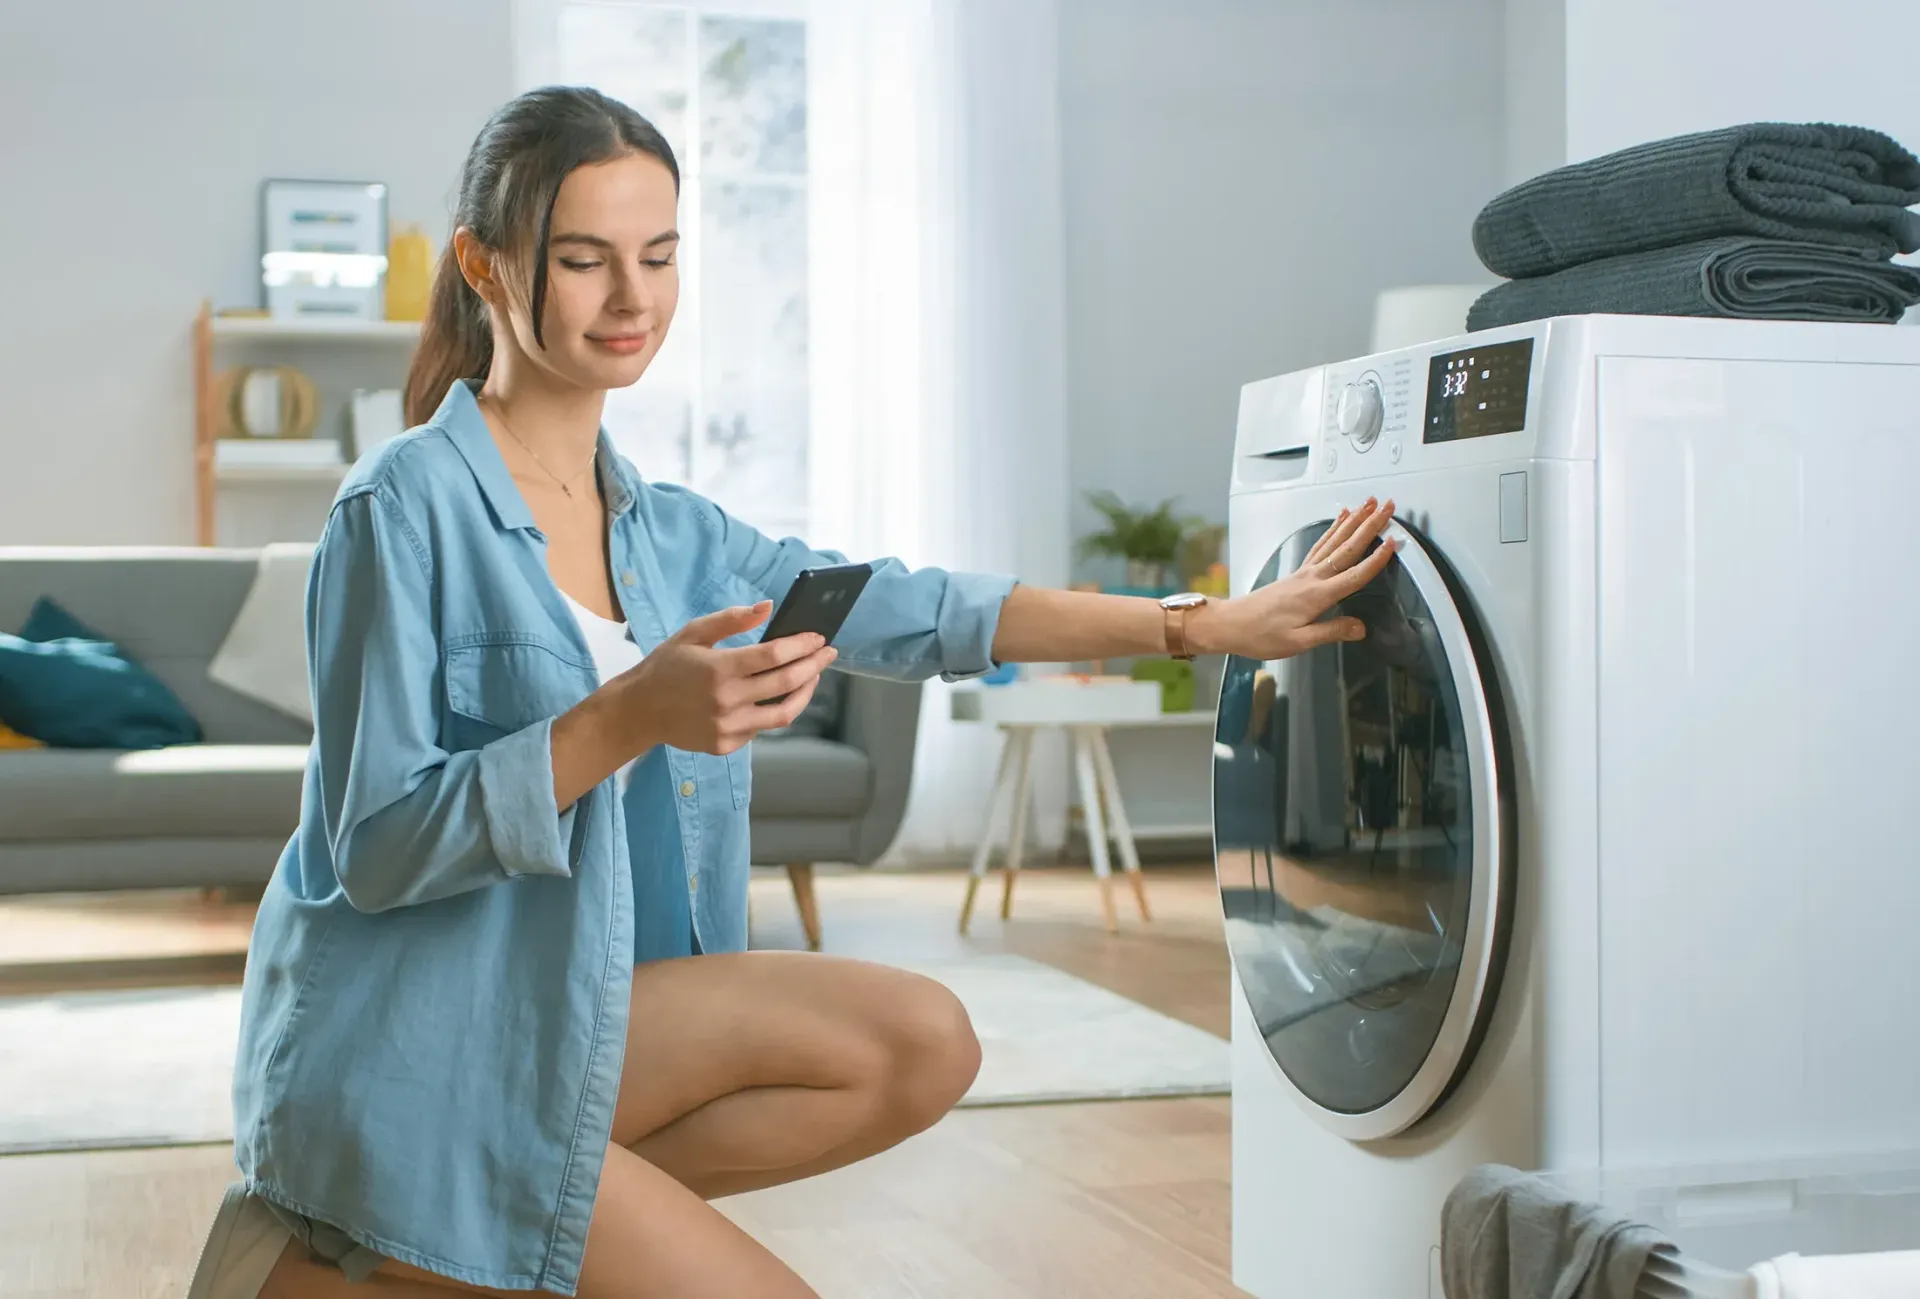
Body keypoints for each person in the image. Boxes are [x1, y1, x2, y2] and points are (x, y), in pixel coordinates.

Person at [185, 86, 1398, 1299]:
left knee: (922, 1043)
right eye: (584, 260)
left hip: (576, 1022)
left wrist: (1201, 624)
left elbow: (922, 610)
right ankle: (375, 1220)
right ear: (482, 263)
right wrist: (628, 717)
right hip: (425, 1044)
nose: (633, 299)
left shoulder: (668, 534)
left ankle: (407, 1259)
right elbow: (381, 844)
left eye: (660, 257)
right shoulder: (398, 510)